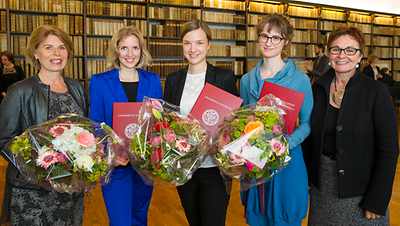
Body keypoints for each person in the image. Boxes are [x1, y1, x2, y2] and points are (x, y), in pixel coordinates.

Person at [303, 27, 398, 225]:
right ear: (329, 53)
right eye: (336, 49)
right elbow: (310, 138)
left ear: (360, 55)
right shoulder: (317, 89)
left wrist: (378, 199)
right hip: (322, 188)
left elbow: (389, 150)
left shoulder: (375, 91)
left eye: (350, 50)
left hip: (362, 191)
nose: (342, 55)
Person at [0, 25, 87, 225]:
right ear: (35, 53)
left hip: (70, 192)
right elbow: (4, 141)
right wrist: (42, 164)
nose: (56, 53)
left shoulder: (77, 88)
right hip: (32, 192)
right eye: (48, 47)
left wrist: (86, 173)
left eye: (62, 47)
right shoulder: (19, 91)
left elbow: (85, 133)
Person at [240, 13, 313, 226]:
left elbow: (307, 123)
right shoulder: (246, 80)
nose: (268, 42)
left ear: (286, 41)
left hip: (288, 159)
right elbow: (244, 120)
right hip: (256, 161)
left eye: (275, 38)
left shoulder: (300, 80)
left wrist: (284, 144)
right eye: (264, 36)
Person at [164, 19, 239, 226]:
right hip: (185, 170)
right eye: (187, 43)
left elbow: (234, 123)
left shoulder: (224, 77)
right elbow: (168, 125)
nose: (192, 49)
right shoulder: (173, 80)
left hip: (214, 169)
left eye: (198, 42)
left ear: (209, 44)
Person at [89, 25, 162, 226]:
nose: (130, 54)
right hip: (115, 165)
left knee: (140, 218)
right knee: (120, 221)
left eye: (135, 48)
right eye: (124, 48)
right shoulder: (100, 81)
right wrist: (110, 154)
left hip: (145, 165)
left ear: (141, 50)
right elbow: (96, 124)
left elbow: (158, 121)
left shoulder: (153, 79)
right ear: (116, 50)